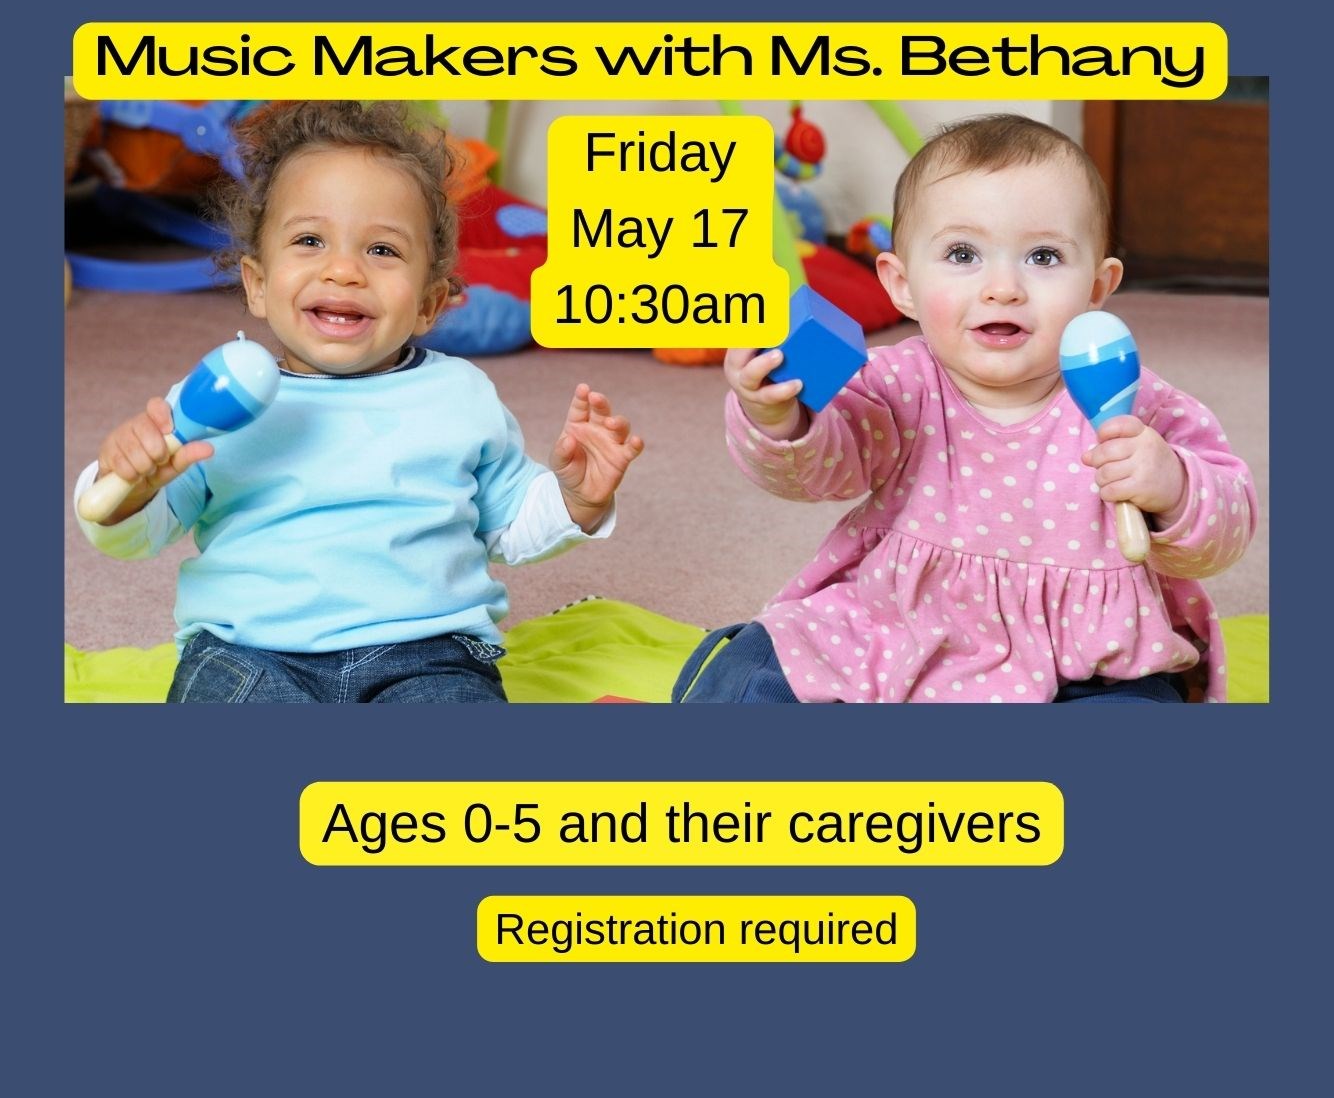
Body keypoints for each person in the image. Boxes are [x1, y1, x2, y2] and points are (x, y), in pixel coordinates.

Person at [675, 114, 1256, 703]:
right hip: (899, 628)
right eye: (962, 253)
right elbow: (819, 470)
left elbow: (1225, 533)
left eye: (1045, 257)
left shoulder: (1131, 399)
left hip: (1081, 663)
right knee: (749, 672)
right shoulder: (896, 384)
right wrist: (779, 420)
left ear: (1098, 288)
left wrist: (1174, 485)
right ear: (901, 283)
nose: (1002, 286)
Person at [75, 101, 643, 703]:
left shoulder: (458, 395)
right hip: (249, 652)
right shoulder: (218, 398)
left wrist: (575, 499)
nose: (344, 270)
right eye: (310, 239)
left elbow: (510, 524)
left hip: (429, 655)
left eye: (382, 250)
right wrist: (127, 485)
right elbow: (136, 533)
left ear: (428, 303)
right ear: (258, 284)